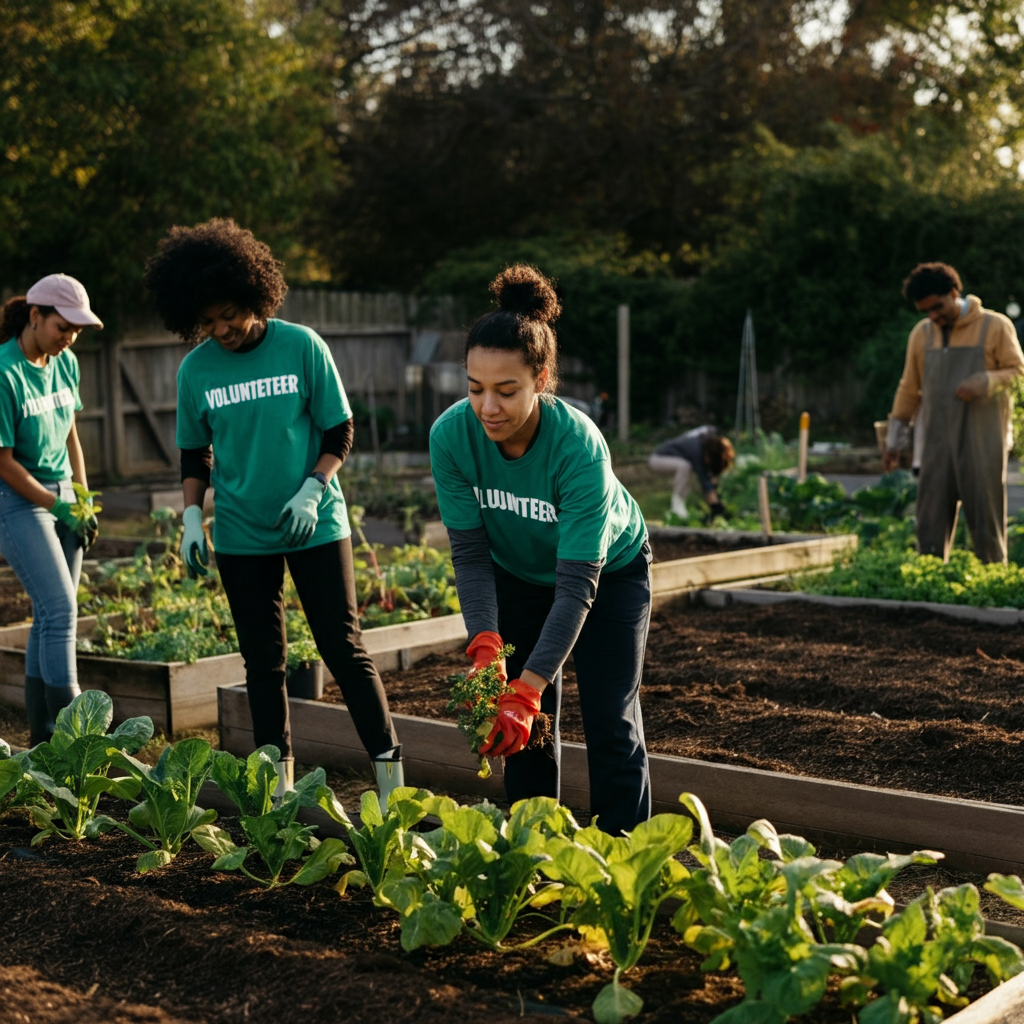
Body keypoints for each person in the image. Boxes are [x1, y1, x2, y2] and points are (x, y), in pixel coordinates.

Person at [144, 218, 402, 804]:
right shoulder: (196, 371)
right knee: (263, 661)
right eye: (206, 322)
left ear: (254, 293)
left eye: (229, 312)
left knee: (343, 647)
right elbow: (194, 453)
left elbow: (340, 430)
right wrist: (191, 517)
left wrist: (314, 488)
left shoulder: (301, 346)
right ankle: (276, 790)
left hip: (314, 523)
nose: (221, 329)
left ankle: (390, 779)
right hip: (241, 533)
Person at [429, 264, 652, 836]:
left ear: (542, 379)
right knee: (523, 729)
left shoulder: (578, 447)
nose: (488, 408)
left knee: (610, 720)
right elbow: (472, 556)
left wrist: (529, 686)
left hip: (609, 575)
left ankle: (622, 859)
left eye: (507, 391)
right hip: (516, 574)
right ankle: (534, 851)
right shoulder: (451, 437)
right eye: (475, 389)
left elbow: (578, 583)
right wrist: (486, 647)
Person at [0, 275, 102, 744]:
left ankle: (42, 740)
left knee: (47, 614)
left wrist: (81, 497)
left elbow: (70, 435)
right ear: (35, 317)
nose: (70, 338)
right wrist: (57, 505)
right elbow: (3, 464)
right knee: (62, 609)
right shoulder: (4, 373)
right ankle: (75, 731)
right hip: (20, 499)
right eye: (64, 327)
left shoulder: (67, 364)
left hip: (63, 494)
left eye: (77, 331)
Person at [883, 262, 1024, 564]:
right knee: (930, 519)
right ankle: (930, 582)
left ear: (954, 293)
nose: (933, 316)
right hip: (934, 442)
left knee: (986, 519)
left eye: (937, 307)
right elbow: (909, 388)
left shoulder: (995, 326)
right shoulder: (922, 334)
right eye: (926, 311)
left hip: (983, 440)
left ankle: (991, 581)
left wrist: (986, 380)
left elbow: (1018, 372)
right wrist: (893, 442)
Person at [648, 426, 735, 520]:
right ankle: (677, 508)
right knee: (685, 466)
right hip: (658, 459)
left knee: (686, 468)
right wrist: (715, 504)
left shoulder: (705, 439)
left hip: (667, 458)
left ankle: (681, 507)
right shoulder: (696, 450)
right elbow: (704, 479)